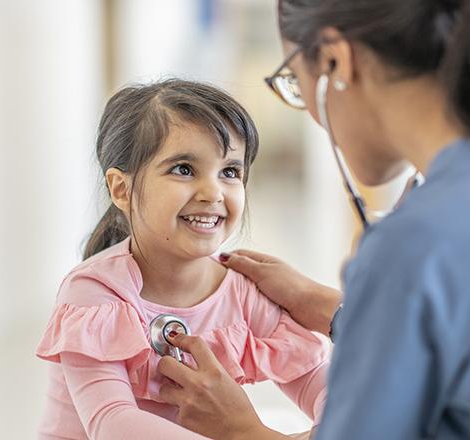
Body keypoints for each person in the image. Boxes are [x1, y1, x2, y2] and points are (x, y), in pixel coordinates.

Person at [156, 1, 470, 439]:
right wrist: (336, 310)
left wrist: (242, 430)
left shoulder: (418, 240)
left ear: (336, 59)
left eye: (295, 84)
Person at [35, 79, 330, 439]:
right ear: (121, 189)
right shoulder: (94, 292)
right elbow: (113, 424)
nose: (213, 192)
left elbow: (329, 388)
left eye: (230, 171)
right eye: (184, 169)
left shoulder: (244, 292)